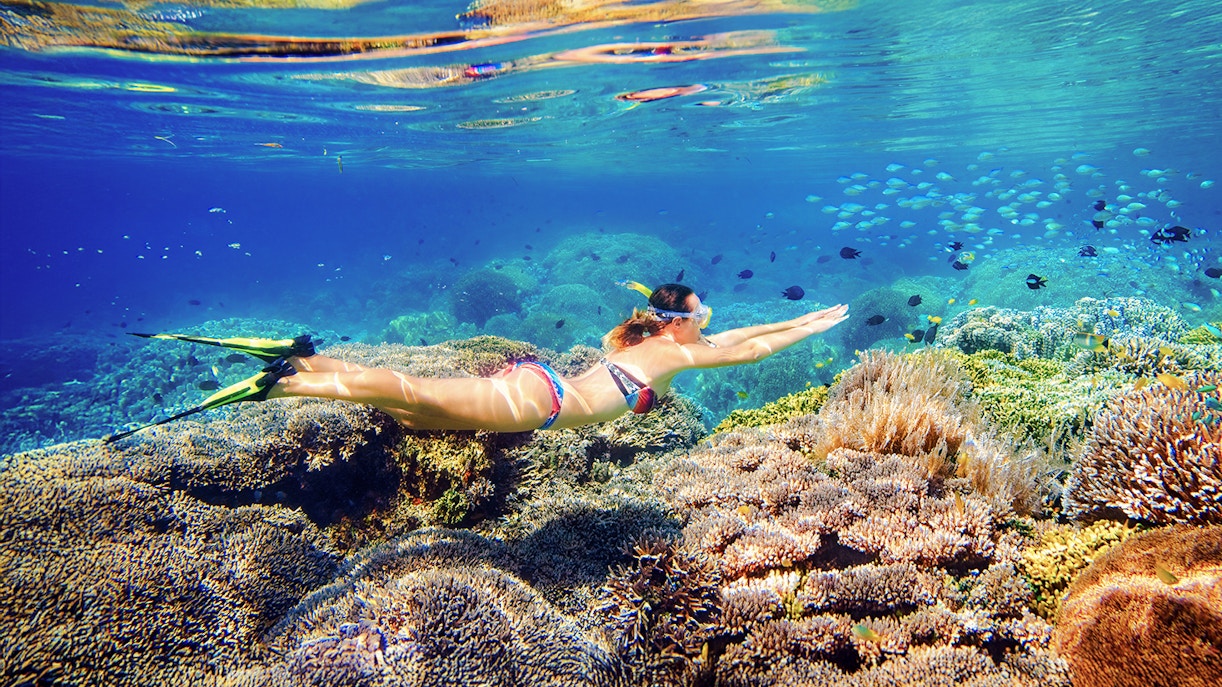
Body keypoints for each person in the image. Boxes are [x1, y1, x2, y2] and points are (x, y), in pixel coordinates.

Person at [107, 284, 848, 441]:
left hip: (535, 386)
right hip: (541, 404)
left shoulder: (640, 340)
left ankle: (304, 363)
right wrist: (804, 330)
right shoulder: (676, 356)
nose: (711, 321)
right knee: (413, 395)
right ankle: (284, 382)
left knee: (411, 406)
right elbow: (751, 346)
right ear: (682, 322)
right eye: (702, 313)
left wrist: (805, 317)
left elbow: (746, 331)